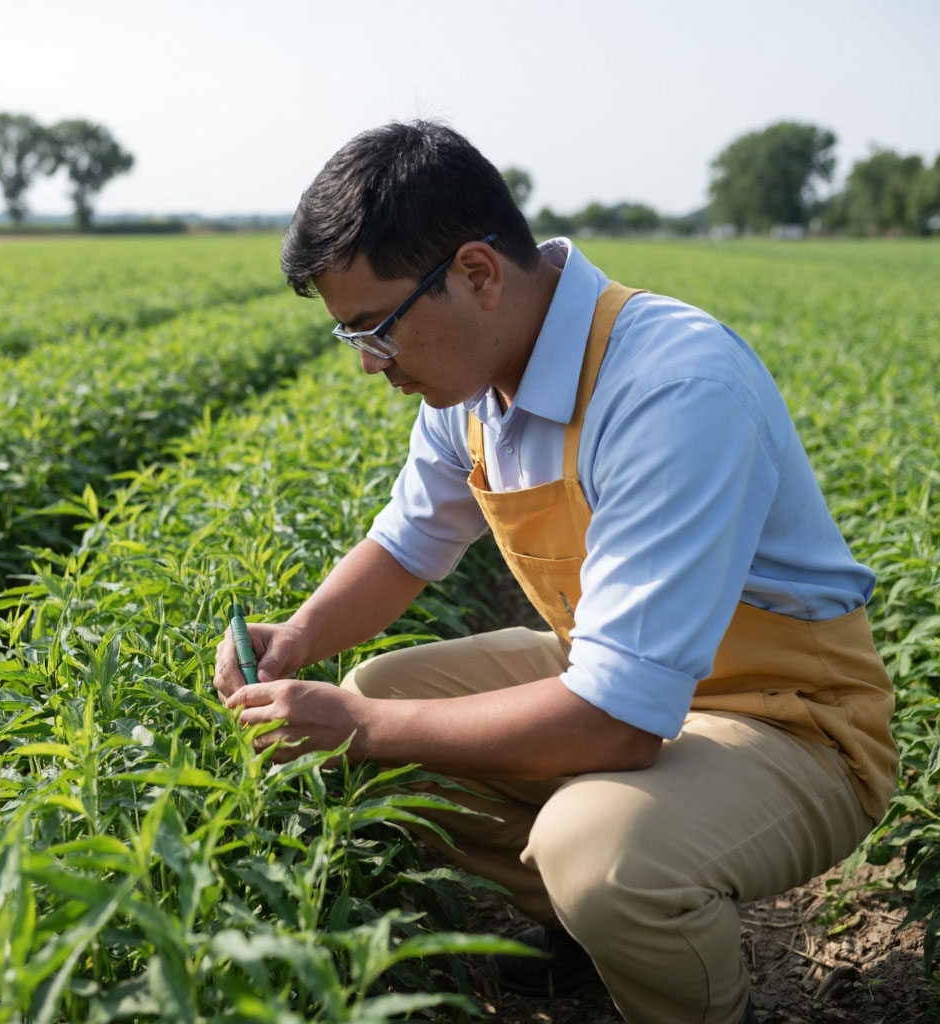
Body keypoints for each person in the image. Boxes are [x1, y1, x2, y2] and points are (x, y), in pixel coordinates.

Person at [213, 120, 898, 1024]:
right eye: (354, 339)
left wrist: (366, 726)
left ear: (477, 274)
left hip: (790, 719)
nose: (373, 365)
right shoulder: (478, 384)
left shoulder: (669, 386)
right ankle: (590, 933)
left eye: (375, 329)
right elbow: (408, 541)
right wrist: (298, 638)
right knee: (382, 685)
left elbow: (618, 723)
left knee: (599, 852)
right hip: (630, 680)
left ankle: (658, 945)